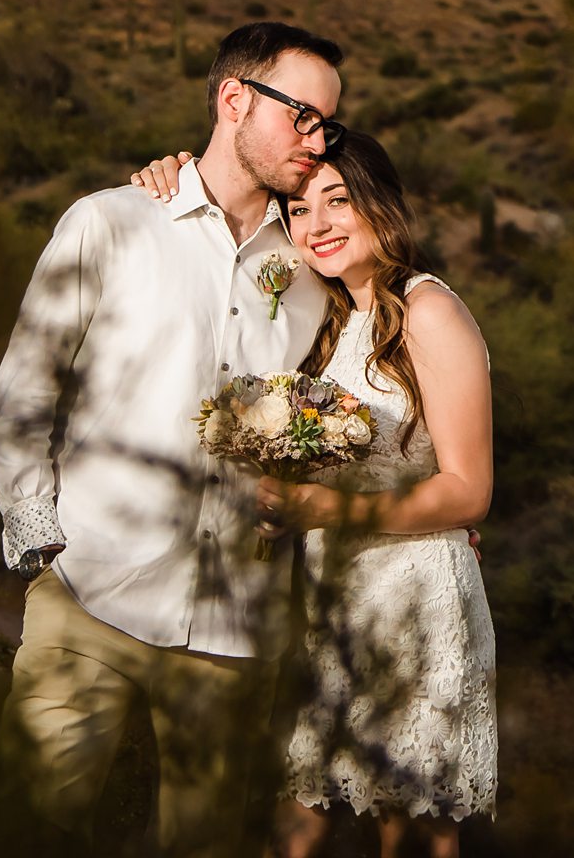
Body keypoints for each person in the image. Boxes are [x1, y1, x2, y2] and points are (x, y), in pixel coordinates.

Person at [0, 22, 345, 852]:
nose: (316, 140)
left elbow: (355, 401)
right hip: (91, 599)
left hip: (236, 629)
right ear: (234, 99)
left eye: (329, 125)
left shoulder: (311, 269)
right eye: (303, 116)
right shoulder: (110, 223)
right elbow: (25, 388)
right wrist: (40, 538)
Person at [132, 131, 496, 854]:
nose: (317, 224)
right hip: (328, 593)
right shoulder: (322, 319)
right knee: (299, 812)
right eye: (297, 209)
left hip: (415, 594)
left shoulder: (427, 311)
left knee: (412, 828)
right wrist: (168, 172)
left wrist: (337, 511)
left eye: (338, 199)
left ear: (380, 203)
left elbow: (468, 490)